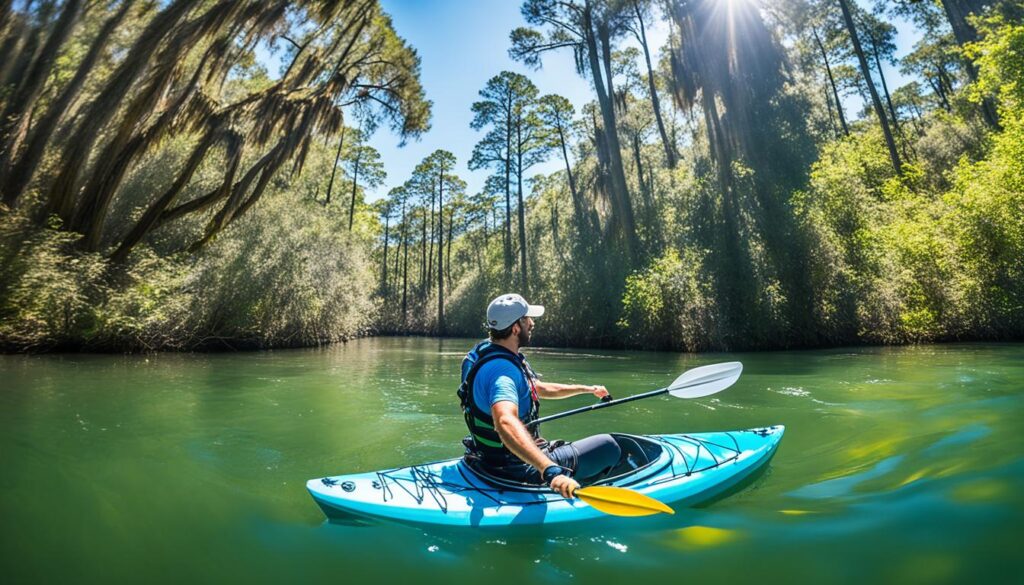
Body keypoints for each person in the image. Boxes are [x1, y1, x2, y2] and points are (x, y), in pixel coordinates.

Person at [458, 293, 622, 499]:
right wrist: (549, 469)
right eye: (527, 319)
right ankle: (574, 490)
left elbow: (537, 388)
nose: (532, 323)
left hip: (485, 459)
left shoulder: (488, 352)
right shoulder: (503, 372)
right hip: (514, 468)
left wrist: (586, 389)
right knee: (609, 446)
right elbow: (505, 421)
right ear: (516, 328)